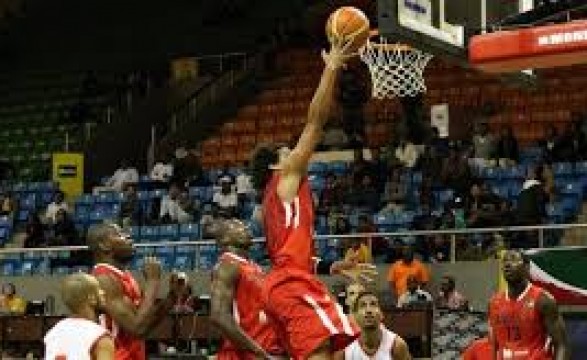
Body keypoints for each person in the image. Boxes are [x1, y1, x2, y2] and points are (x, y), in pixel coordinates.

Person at [250, 37, 376, 359]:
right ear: (276, 164)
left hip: (284, 283)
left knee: (329, 350)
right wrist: (331, 68)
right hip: (291, 284)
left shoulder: (278, 201)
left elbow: (290, 251)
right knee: (323, 350)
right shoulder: (285, 177)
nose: (294, 152)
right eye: (286, 151)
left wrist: (334, 265)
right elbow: (315, 123)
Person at [88, 223, 186, 360]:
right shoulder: (103, 278)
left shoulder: (124, 275)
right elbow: (137, 329)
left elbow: (145, 323)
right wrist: (153, 282)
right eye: (119, 234)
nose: (128, 236)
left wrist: (173, 296)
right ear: (104, 245)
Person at [210, 219, 284, 359]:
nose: (246, 227)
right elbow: (218, 316)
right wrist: (258, 352)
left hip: (267, 350)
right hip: (244, 354)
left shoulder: (254, 267)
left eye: (245, 225)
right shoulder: (227, 265)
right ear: (224, 238)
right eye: (238, 226)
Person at [489, 250, 568, 360]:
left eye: (513, 259)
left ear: (527, 267)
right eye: (505, 261)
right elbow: (495, 346)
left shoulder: (543, 300)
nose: (507, 264)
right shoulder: (494, 302)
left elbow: (561, 345)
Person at [44, 273, 115, 360]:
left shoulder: (53, 332)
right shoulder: (100, 337)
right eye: (99, 289)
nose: (103, 292)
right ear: (91, 298)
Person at [337, 291, 411, 360]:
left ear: (382, 314)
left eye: (373, 304)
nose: (368, 310)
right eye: (363, 305)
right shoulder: (345, 350)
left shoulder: (396, 345)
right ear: (355, 316)